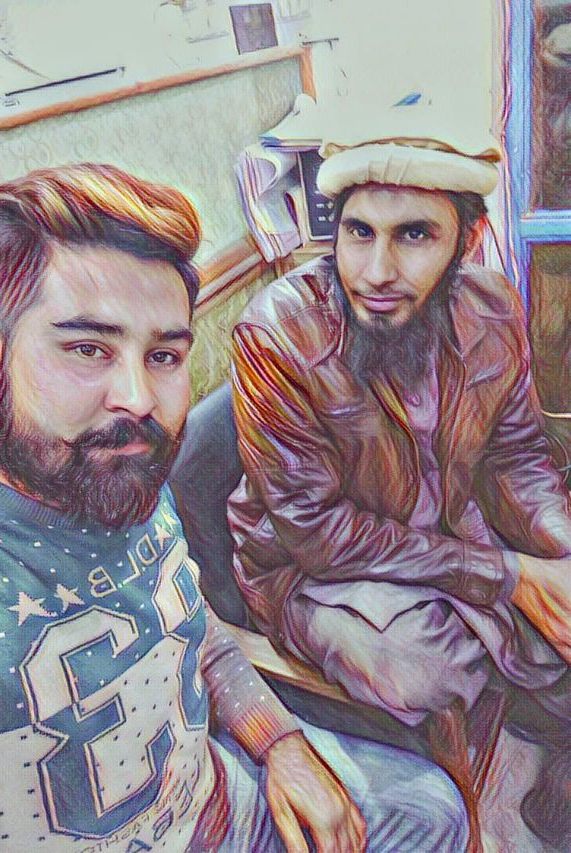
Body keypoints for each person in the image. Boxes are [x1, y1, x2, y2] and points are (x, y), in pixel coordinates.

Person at [0, 163, 468, 853]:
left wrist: (279, 740)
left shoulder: (120, 474)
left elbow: (189, 627)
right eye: (87, 349)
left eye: (163, 355)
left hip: (223, 801)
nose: (137, 399)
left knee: (434, 811)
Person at [228, 133, 571, 848]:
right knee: (420, 666)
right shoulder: (276, 333)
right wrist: (507, 576)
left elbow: (517, 457)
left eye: (414, 235)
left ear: (467, 240)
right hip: (314, 571)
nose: (377, 271)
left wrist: (560, 556)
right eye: (359, 233)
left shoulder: (493, 307)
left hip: (449, 530)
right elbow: (314, 532)